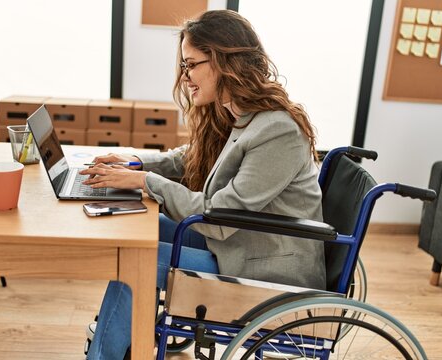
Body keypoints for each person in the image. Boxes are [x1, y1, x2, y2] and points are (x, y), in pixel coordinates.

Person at [81, 9, 325, 359]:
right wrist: (135, 162)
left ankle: (106, 352)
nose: (185, 77)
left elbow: (221, 218)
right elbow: (188, 159)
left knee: (135, 259)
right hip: (242, 246)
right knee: (144, 228)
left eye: (191, 64)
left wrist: (145, 181)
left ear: (225, 61)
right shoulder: (241, 113)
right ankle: (123, 337)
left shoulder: (277, 130)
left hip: (266, 271)